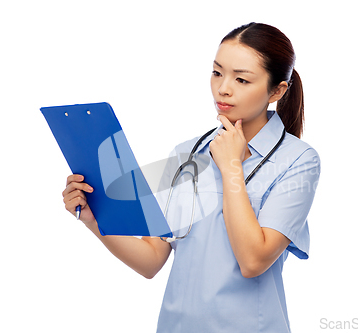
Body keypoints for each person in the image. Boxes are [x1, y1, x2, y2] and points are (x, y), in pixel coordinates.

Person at [62, 22, 321, 333]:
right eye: (217, 73)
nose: (224, 88)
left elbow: (253, 261)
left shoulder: (299, 161)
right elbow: (151, 260)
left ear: (277, 90)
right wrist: (94, 220)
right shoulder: (187, 153)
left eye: (241, 79)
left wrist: (231, 169)